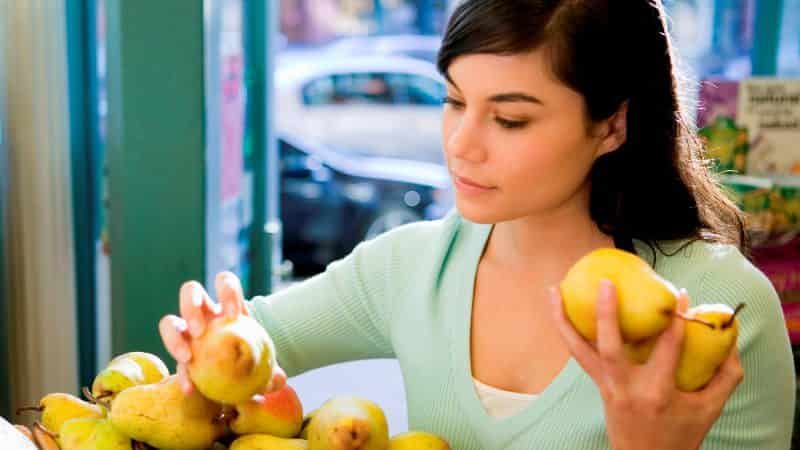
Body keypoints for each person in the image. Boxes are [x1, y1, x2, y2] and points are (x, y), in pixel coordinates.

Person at [160, 1, 796, 449]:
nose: (462, 144)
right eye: (455, 101)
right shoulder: (411, 266)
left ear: (611, 125)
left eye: (510, 119)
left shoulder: (719, 309)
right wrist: (211, 337)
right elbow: (258, 338)